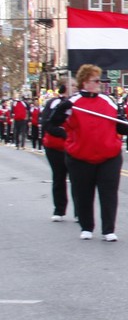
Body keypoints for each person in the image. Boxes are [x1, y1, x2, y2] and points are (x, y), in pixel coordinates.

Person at [47, 65, 126, 241]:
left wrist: (127, 125)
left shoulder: (108, 101)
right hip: (80, 156)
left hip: (109, 155)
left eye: (100, 80)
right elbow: (52, 124)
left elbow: (120, 125)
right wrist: (61, 111)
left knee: (109, 192)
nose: (99, 84)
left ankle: (108, 229)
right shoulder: (72, 102)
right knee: (83, 192)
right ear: (85, 83)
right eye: (95, 81)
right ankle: (86, 226)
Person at [40, 85, 72, 222]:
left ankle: (80, 212)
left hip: (74, 146)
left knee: (79, 180)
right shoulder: (53, 103)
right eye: (73, 85)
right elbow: (46, 123)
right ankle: (59, 210)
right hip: (55, 146)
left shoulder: (79, 103)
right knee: (59, 177)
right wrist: (63, 133)